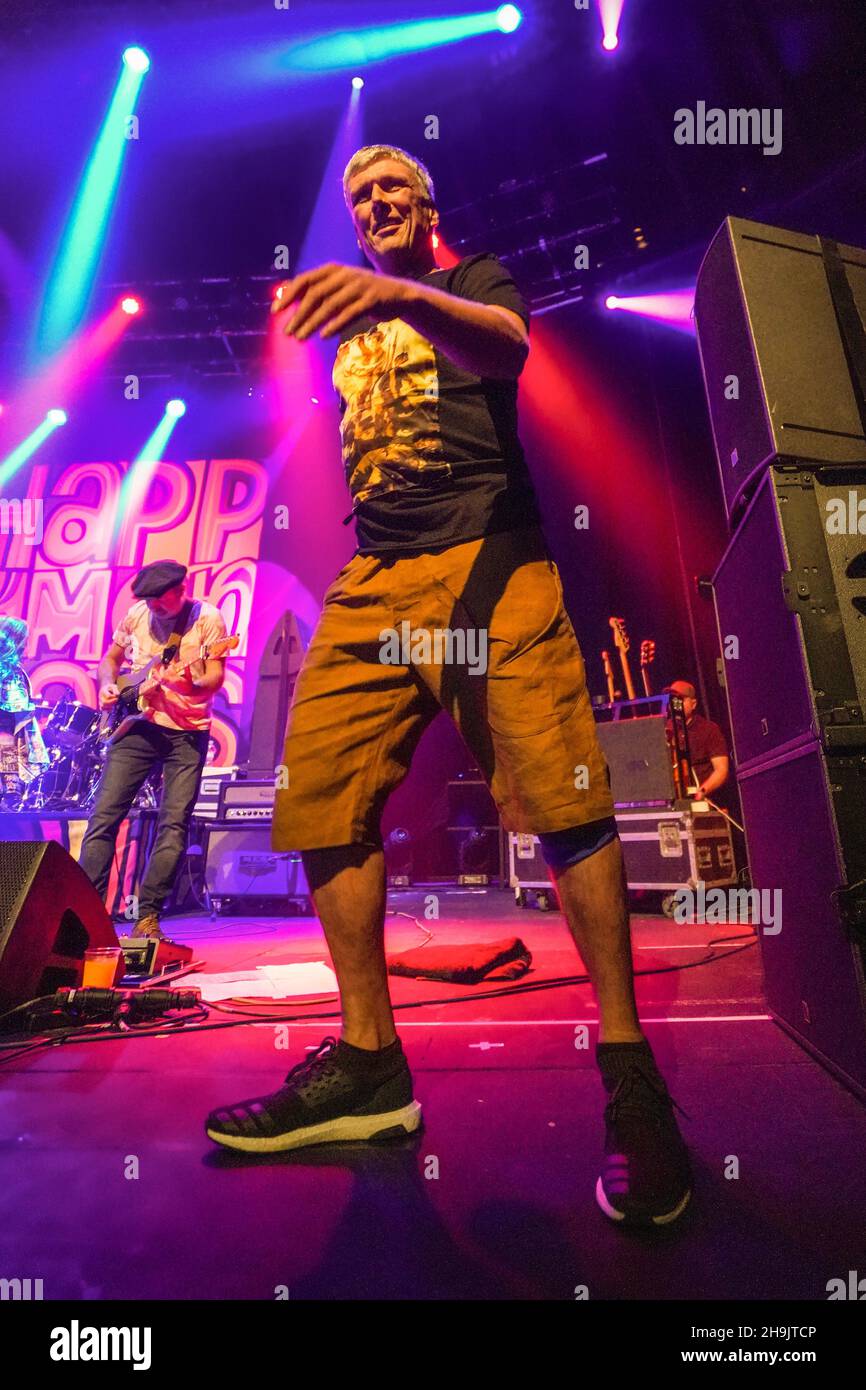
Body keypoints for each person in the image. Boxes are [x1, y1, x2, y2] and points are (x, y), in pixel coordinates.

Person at [206, 145, 692, 1227]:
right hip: (377, 573)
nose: (375, 203)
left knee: (564, 806)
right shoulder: (344, 327)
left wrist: (396, 292)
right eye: (359, 196)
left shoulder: (468, 285)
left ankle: (628, 1076)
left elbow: (506, 349)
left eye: (394, 190)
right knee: (320, 793)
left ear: (428, 209)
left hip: (493, 558)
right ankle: (371, 1067)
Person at [78, 561, 227, 940]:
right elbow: (110, 660)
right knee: (103, 819)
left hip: (187, 732)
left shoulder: (207, 620)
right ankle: (87, 917)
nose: (154, 608)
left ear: (182, 590)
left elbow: (213, 678)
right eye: (149, 601)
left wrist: (190, 681)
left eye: (161, 601)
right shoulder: (136, 614)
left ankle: (147, 918)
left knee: (173, 823)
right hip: (138, 725)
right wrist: (109, 685)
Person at [0, 614, 49, 796]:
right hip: (6, 762)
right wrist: (11, 778)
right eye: (25, 641)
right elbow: (5, 730)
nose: (27, 646)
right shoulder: (10, 674)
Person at [666, 680, 730, 799]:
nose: (675, 704)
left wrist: (702, 791)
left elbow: (721, 770)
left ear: (693, 704)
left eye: (681, 699)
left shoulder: (709, 729)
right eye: (672, 699)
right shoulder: (665, 729)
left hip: (704, 799)